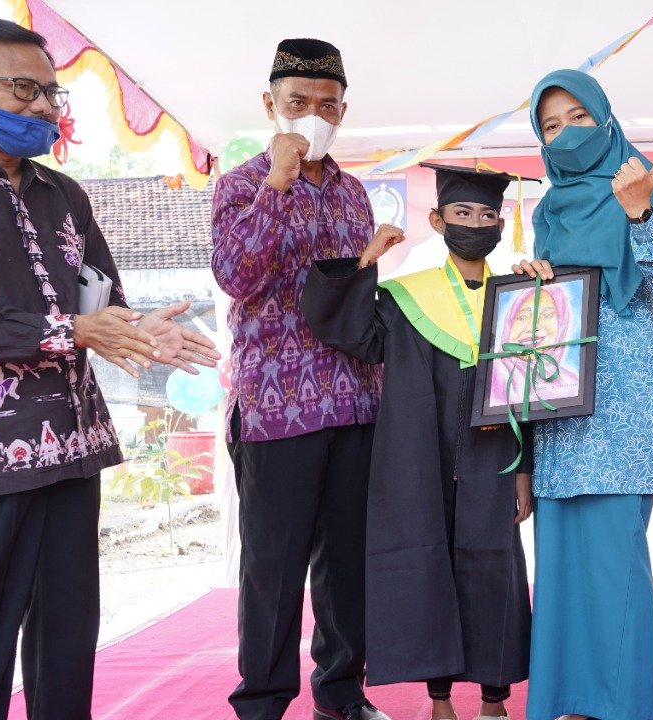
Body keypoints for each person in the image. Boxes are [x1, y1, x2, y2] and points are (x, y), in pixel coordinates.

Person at [0, 15, 219, 720]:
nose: (41, 107)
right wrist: (71, 329)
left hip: (71, 446)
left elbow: (101, 298)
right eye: (22, 89)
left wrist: (139, 330)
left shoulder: (65, 194)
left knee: (67, 640)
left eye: (50, 93)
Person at [301, 162, 539, 720]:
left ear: (500, 224)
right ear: (437, 220)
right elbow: (349, 332)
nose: (474, 224)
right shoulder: (406, 297)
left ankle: (495, 700)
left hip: (494, 457)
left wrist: (525, 468)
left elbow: (531, 389)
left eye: (486, 216)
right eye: (462, 212)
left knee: (494, 569)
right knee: (428, 565)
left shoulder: (516, 299)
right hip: (419, 456)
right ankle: (439, 699)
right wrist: (365, 262)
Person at [211, 38, 398, 720]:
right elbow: (236, 276)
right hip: (275, 410)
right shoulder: (240, 185)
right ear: (271, 106)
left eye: (327, 105)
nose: (313, 116)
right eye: (298, 102)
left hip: (353, 401)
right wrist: (277, 184)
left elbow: (352, 298)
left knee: (348, 564)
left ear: (343, 110)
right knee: (273, 568)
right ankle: (262, 702)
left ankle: (341, 696)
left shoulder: (353, 194)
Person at [513, 69, 653, 720]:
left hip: (623, 406)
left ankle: (623, 707)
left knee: (616, 569)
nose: (566, 133)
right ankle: (570, 704)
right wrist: (533, 281)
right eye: (550, 125)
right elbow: (544, 312)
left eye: (578, 117)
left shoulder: (644, 185)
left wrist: (639, 213)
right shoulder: (548, 210)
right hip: (560, 405)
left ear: (606, 118)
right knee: (561, 569)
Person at [488, 283, 581, 406]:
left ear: (562, 323)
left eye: (547, 315)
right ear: (509, 324)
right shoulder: (491, 376)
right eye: (522, 317)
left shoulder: (572, 382)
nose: (533, 327)